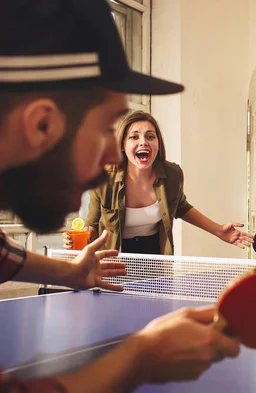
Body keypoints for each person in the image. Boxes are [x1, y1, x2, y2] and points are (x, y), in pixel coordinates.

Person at [0, 0, 240, 392]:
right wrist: (141, 355)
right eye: (106, 128)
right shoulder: (110, 179)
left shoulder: (170, 176)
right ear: (41, 124)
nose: (114, 154)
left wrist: (70, 272)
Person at [63, 111, 253, 254]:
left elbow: (181, 207)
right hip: (114, 255)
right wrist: (77, 242)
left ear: (158, 144)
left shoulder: (172, 174)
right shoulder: (103, 179)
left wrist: (219, 231)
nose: (143, 142)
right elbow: (93, 224)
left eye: (150, 136)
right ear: (122, 145)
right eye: (134, 136)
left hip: (155, 253)